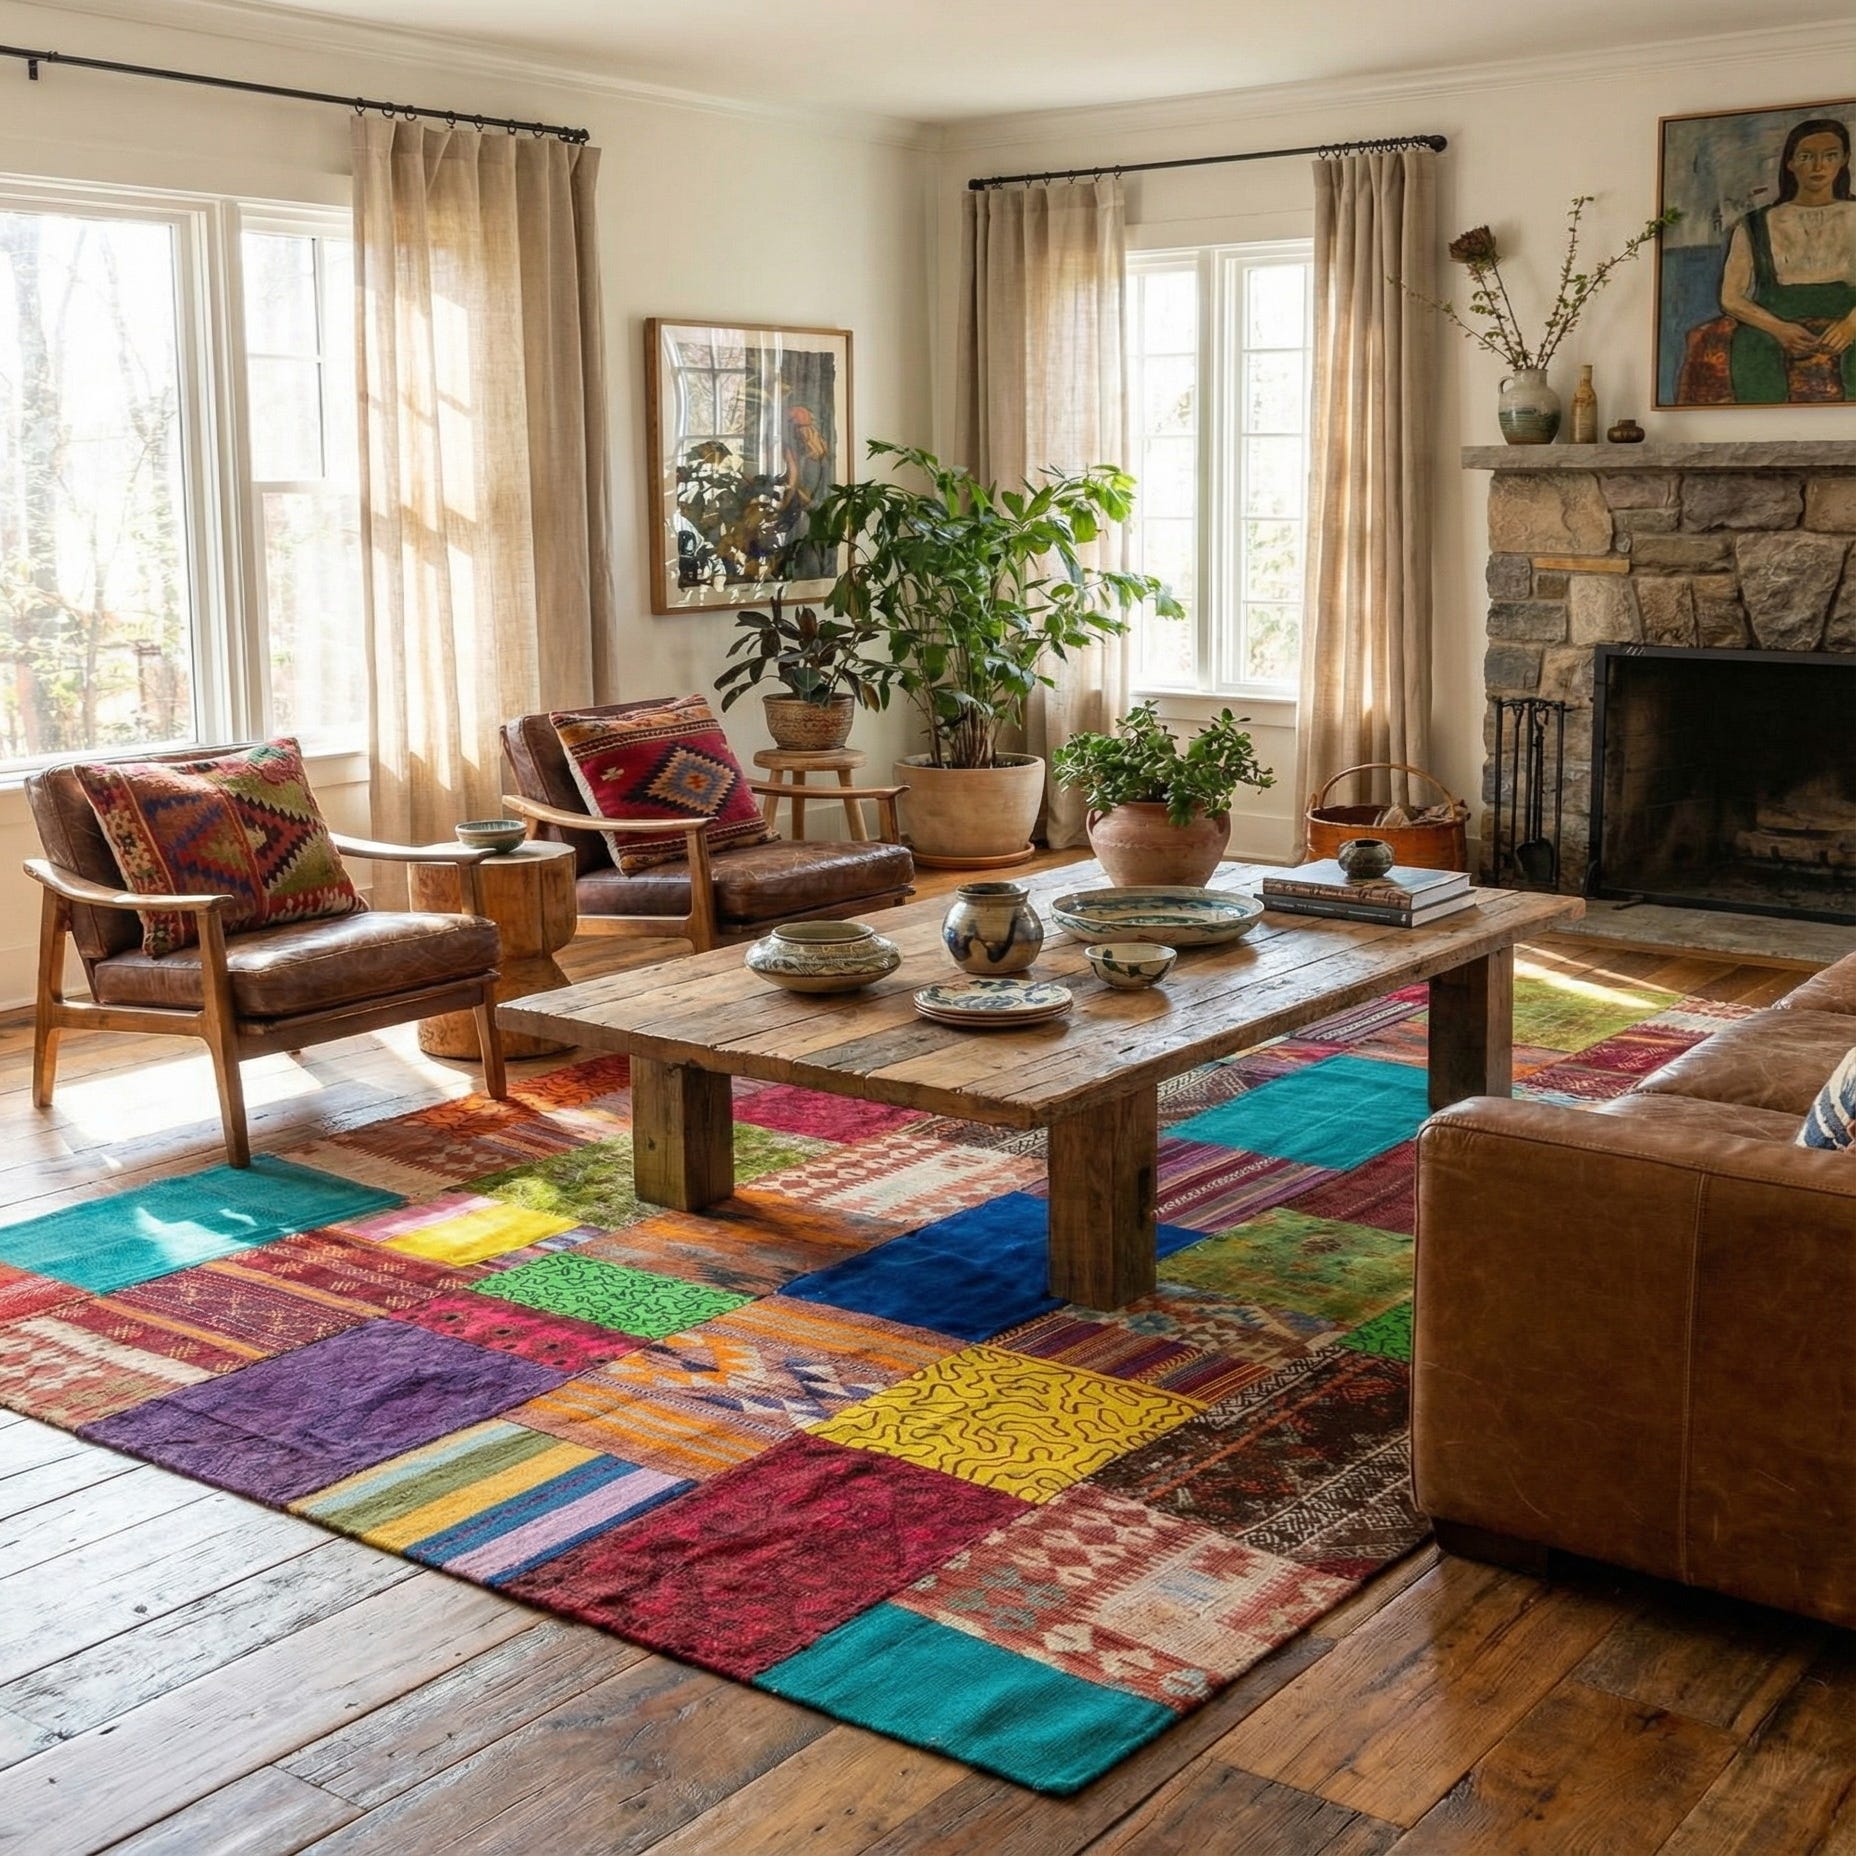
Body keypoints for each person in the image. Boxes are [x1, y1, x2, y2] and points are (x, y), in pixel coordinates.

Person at [1719, 117, 1856, 402]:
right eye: (1806, 157)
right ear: (1790, 163)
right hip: (1775, 319)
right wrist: (1778, 329)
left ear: (1845, 159)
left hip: (1850, 315)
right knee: (1752, 343)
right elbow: (1730, 298)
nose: (1818, 166)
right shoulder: (1755, 224)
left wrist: (1851, 325)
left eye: (1830, 155)